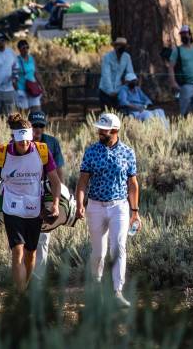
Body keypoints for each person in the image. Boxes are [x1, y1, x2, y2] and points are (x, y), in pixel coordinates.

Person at [0, 113, 61, 291]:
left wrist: (55, 205)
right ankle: (20, 295)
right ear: (13, 138)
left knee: (31, 253)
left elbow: (56, 182)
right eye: (21, 142)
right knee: (17, 250)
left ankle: (24, 288)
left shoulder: (42, 151)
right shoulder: (1, 153)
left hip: (34, 208)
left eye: (28, 141)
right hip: (11, 208)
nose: (25, 145)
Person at [75, 113, 142, 308]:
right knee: (98, 252)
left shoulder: (128, 152)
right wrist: (80, 204)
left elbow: (133, 184)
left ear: (114, 130)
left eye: (103, 130)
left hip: (119, 206)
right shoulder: (91, 151)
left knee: (119, 247)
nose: (99, 132)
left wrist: (135, 211)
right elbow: (82, 181)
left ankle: (116, 291)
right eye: (99, 129)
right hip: (95, 206)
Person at [27, 111, 65, 281]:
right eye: (34, 125)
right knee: (23, 236)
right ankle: (24, 274)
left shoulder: (52, 143)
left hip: (47, 192)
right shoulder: (18, 143)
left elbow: (59, 171)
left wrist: (61, 193)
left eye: (41, 126)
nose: (38, 129)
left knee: (43, 237)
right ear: (28, 125)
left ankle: (38, 278)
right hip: (24, 193)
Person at [167, 25, 193, 116]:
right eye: (182, 34)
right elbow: (171, 67)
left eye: (185, 34)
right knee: (186, 111)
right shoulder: (178, 50)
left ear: (190, 35)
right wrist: (173, 83)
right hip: (185, 85)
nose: (184, 36)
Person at [99, 37, 134, 110]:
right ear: (115, 46)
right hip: (105, 90)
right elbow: (106, 75)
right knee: (106, 114)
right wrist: (110, 91)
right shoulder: (107, 57)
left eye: (123, 46)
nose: (121, 47)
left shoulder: (127, 57)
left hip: (118, 90)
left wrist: (131, 82)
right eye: (119, 45)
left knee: (117, 115)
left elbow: (130, 72)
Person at [14, 40, 43, 112]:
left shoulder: (31, 59)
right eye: (23, 48)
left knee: (37, 111)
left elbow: (36, 73)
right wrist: (16, 89)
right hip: (21, 89)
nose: (26, 49)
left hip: (33, 88)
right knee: (24, 113)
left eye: (27, 47)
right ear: (19, 49)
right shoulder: (16, 60)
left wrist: (42, 86)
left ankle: (36, 123)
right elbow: (13, 76)